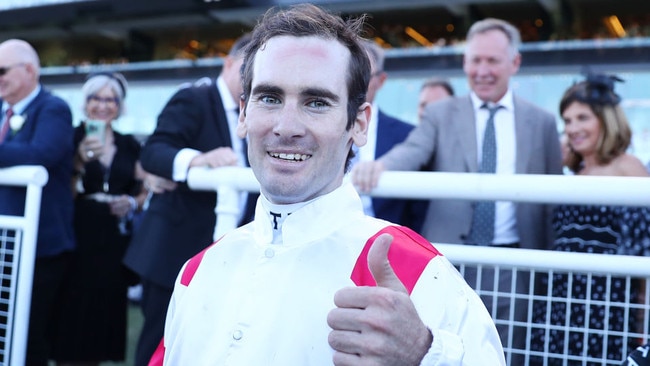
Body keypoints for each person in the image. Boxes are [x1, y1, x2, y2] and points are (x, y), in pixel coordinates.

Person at [150, 4, 505, 365]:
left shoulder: (412, 267)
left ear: (359, 124)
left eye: (316, 102)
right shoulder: (200, 268)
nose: (287, 127)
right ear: (244, 113)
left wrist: (424, 355)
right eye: (270, 98)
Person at [352, 17, 563, 359]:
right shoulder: (440, 113)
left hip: (515, 263)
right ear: (465, 63)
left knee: (508, 353)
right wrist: (381, 167)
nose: (482, 70)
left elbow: (554, 198)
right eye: (475, 60)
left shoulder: (541, 121)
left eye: (492, 61)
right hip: (450, 260)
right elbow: (412, 151)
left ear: (514, 63)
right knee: (444, 349)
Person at [122, 33, 256, 366]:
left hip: (230, 252)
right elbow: (154, 151)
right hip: (174, 250)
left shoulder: (259, 109)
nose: (253, 78)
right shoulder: (194, 98)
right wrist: (199, 160)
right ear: (228, 63)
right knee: (159, 345)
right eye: (246, 68)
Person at [530, 72, 650, 365]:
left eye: (582, 118)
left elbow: (646, 248)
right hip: (560, 301)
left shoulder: (628, 168)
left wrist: (644, 319)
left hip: (607, 304)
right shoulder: (574, 172)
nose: (572, 128)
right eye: (568, 120)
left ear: (606, 120)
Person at [49, 72, 146, 365]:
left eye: (110, 99)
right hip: (79, 231)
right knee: (74, 306)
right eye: (96, 98)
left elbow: (144, 191)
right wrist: (79, 161)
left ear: (119, 105)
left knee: (107, 307)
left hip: (115, 237)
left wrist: (130, 202)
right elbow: (62, 192)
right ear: (85, 102)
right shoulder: (71, 137)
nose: (103, 105)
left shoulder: (130, 144)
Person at [0, 39, 75, 365]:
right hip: (5, 241)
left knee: (28, 336)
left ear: (29, 70)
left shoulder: (54, 108)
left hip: (39, 247)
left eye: (1, 70)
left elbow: (41, 154)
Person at [355, 39, 428, 232]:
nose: (356, 84)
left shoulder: (408, 135)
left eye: (364, 76)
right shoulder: (316, 127)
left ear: (381, 80)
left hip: (388, 244)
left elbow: (417, 208)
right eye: (351, 75)